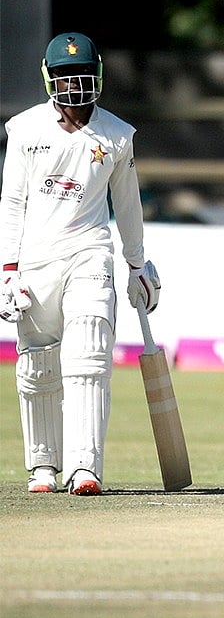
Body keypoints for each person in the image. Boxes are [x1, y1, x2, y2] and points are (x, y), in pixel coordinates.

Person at [1, 32, 161, 496]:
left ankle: (85, 467)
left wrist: (137, 264)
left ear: (98, 79)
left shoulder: (116, 136)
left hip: (90, 251)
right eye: (67, 76)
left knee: (89, 350)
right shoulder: (25, 130)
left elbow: (127, 205)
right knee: (38, 366)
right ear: (50, 79)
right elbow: (12, 201)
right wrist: (7, 270)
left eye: (84, 76)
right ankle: (43, 467)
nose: (75, 86)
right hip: (35, 258)